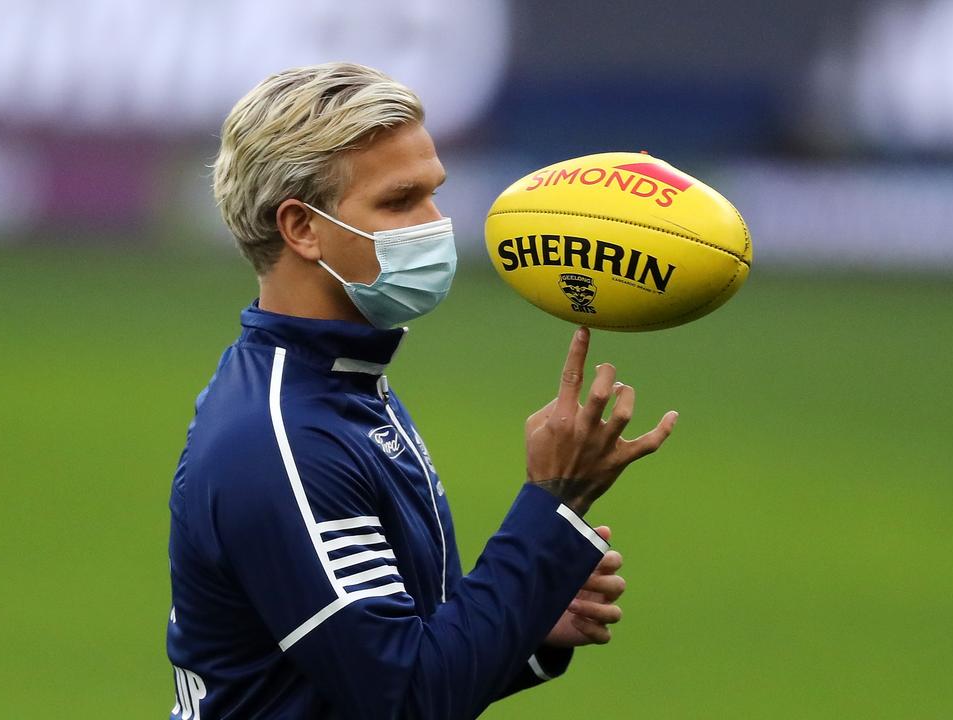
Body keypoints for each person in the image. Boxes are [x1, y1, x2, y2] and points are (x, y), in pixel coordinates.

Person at [165, 62, 678, 720]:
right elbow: (408, 701)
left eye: (435, 194)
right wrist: (554, 500)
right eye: (401, 201)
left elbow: (394, 661)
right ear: (302, 228)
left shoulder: (342, 386)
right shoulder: (280, 440)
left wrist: (532, 618)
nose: (437, 224)